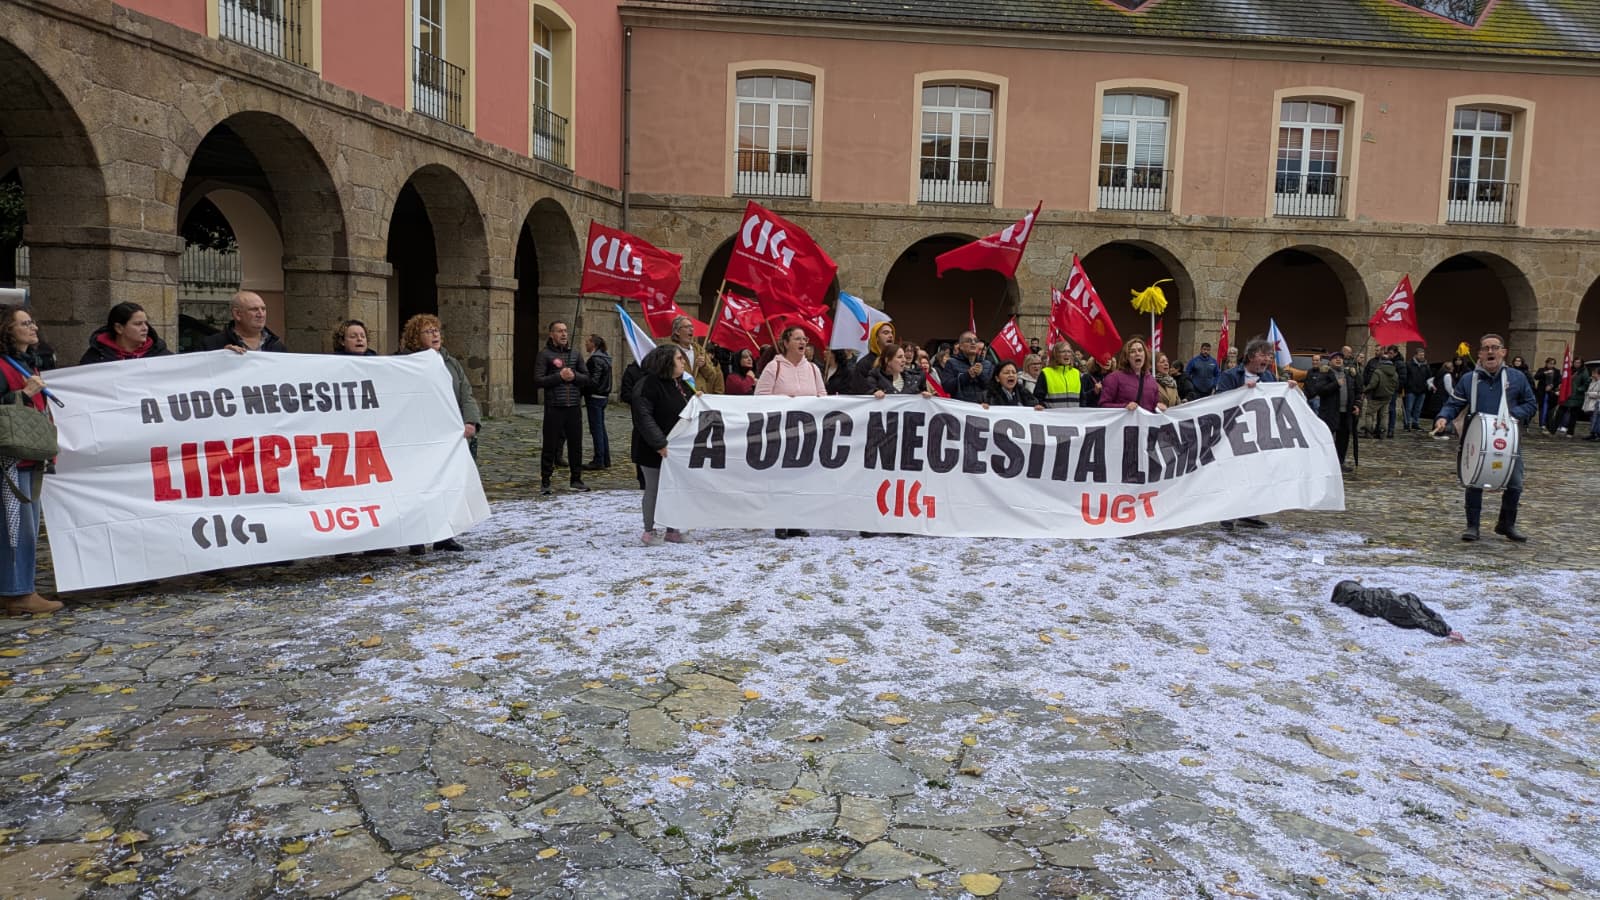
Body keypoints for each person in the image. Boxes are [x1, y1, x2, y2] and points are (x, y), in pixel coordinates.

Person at [1434, 333, 1536, 542]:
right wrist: (1443, 418)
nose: (1490, 352)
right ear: (1479, 354)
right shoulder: (1469, 379)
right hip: (1477, 438)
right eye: (1485, 348)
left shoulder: (1517, 378)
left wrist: (1511, 415)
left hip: (1508, 440)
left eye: (1495, 348)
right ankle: (1473, 526)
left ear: (1503, 352)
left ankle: (1506, 524)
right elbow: (1454, 404)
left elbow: (1531, 404)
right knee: (1474, 481)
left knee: (1515, 483)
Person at [395, 314, 479, 554]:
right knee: (419, 487)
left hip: (448, 435)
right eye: (428, 331)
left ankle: (445, 535)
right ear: (415, 337)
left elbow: (466, 393)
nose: (435, 335)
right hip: (418, 435)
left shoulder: (450, 362)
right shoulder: (403, 362)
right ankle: (417, 537)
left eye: (436, 330)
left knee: (447, 485)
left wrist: (470, 421)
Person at [0, 306, 60, 615]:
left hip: (27, 456)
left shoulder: (29, 362)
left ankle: (14, 588)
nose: (33, 327)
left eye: (32, 321)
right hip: (10, 460)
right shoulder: (4, 366)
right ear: (8, 331)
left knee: (23, 525)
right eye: (25, 323)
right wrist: (23, 394)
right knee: (17, 528)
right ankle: (18, 592)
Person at [756, 326, 826, 538]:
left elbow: (823, 396)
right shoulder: (773, 367)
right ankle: (780, 521)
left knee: (801, 478)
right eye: (797, 339)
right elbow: (759, 398)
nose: (802, 342)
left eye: (804, 339)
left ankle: (796, 521)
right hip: (780, 432)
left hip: (806, 433)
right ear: (786, 343)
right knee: (781, 478)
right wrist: (787, 402)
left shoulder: (813, 369)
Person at [631, 344, 695, 546]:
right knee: (654, 488)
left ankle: (672, 529)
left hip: (677, 448)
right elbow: (643, 417)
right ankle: (650, 530)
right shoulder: (647, 385)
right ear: (666, 362)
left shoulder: (681, 384)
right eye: (679, 359)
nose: (683, 362)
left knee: (675, 489)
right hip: (652, 448)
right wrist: (659, 443)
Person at [1215, 339, 1280, 532]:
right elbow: (1220, 400)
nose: (1267, 359)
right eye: (1263, 355)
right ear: (1251, 356)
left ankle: (1250, 515)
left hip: (1259, 433)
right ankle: (1227, 515)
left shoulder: (1269, 377)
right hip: (1235, 432)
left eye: (1269, 356)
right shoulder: (1230, 375)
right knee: (1234, 474)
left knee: (1258, 473)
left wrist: (1288, 389)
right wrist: (1242, 392)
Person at [536, 320, 590, 495]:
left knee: (576, 444)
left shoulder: (575, 354)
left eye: (565, 331)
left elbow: (586, 378)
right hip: (554, 406)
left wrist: (574, 377)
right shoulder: (544, 355)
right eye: (559, 331)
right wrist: (559, 377)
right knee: (550, 445)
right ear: (552, 334)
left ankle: (576, 479)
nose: (564, 334)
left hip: (573, 406)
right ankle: (545, 480)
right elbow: (538, 380)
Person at [1305, 350, 1362, 471]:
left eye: (1340, 358)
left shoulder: (1349, 374)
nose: (1338, 359)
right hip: (1329, 413)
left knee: (1343, 440)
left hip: (1345, 413)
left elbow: (1358, 391)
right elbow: (1319, 390)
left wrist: (1357, 405)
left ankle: (1339, 463)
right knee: (1326, 438)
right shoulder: (1325, 374)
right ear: (1330, 361)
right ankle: (1323, 463)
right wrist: (1336, 384)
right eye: (1335, 358)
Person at [79, 302, 173, 364]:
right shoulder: (95, 357)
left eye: (146, 323)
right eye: (138, 324)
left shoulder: (162, 356)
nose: (145, 328)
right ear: (119, 328)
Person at [197, 290, 287, 353]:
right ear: (237, 314)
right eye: (254, 309)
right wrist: (221, 357)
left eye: (263, 309)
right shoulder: (211, 345)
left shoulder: (278, 347)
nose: (261, 314)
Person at [1099, 337, 1165, 412]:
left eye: (1140, 350)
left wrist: (1158, 407)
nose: (1137, 353)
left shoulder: (1152, 381)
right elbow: (1103, 405)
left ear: (1145, 354)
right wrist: (1124, 407)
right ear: (1127, 357)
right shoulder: (1114, 378)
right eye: (1132, 351)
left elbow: (1153, 407)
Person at [582, 334, 614, 470]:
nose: (585, 344)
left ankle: (599, 460)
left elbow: (594, 380)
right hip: (602, 396)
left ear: (593, 344)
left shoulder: (595, 359)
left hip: (595, 397)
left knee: (596, 429)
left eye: (587, 342)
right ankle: (605, 459)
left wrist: (583, 389)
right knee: (601, 428)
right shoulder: (605, 358)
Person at [670, 315, 723, 395]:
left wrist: (704, 366)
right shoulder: (671, 352)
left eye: (692, 327)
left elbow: (712, 375)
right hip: (682, 395)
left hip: (700, 395)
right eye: (687, 327)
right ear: (677, 331)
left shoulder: (699, 350)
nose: (691, 329)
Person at [941, 331, 993, 403]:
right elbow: (947, 388)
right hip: (962, 406)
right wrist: (967, 376)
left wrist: (981, 375)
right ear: (961, 346)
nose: (973, 343)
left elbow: (993, 388)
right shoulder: (951, 363)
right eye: (968, 341)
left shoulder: (987, 364)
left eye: (976, 341)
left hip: (982, 407)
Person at [848, 321, 896, 394]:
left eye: (891, 333)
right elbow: (859, 389)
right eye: (886, 333)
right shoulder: (864, 364)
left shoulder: (896, 361)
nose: (891, 336)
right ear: (876, 338)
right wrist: (874, 392)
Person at [1362, 346, 1400, 439]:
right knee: (1384, 415)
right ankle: (1383, 433)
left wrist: (1365, 391)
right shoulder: (1395, 373)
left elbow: (1372, 384)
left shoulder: (1378, 372)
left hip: (1376, 396)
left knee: (1369, 414)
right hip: (1387, 396)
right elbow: (1396, 385)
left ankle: (1368, 432)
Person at [1036, 341, 1081, 409]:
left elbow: (1082, 399)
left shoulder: (1076, 373)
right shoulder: (1046, 372)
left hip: (1073, 415)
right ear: (1056, 355)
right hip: (1052, 415)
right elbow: (1038, 398)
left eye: (1069, 351)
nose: (1067, 354)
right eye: (1063, 351)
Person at [1553, 360, 1591, 437]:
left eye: (1578, 363)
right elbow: (1563, 379)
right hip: (1567, 395)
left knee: (1573, 415)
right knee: (1560, 412)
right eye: (1575, 362)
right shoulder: (1569, 370)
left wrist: (1579, 389)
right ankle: (1553, 429)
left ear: (1581, 363)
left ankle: (1570, 432)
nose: (1577, 364)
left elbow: (1586, 383)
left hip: (1577, 396)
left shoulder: (1584, 372)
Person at [1401, 347, 1430, 431]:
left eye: (1423, 355)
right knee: (1409, 408)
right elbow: (1406, 376)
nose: (1422, 357)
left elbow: (1429, 376)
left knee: (1418, 408)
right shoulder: (1409, 364)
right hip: (1411, 390)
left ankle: (1415, 423)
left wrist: (1426, 386)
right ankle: (1407, 423)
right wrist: (1406, 387)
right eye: (1420, 355)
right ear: (1416, 355)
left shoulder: (1425, 365)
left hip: (1422, 390)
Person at [1533, 356, 1561, 431]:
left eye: (1553, 364)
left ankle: (1548, 424)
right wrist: (1544, 373)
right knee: (1542, 408)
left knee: (1550, 409)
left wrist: (1551, 386)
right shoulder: (1542, 370)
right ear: (1546, 363)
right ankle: (1542, 424)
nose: (1551, 365)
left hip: (1552, 393)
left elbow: (1559, 381)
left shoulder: (1557, 371)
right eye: (1550, 363)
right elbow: (1536, 377)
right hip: (1542, 392)